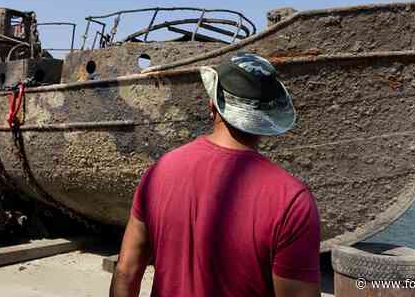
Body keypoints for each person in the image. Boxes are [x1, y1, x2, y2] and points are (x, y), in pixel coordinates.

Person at [110, 53, 321, 297]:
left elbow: (126, 273)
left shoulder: (158, 173)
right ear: (268, 119)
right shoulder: (291, 201)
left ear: (212, 105)